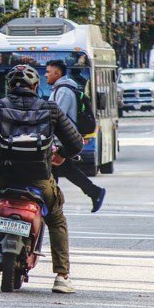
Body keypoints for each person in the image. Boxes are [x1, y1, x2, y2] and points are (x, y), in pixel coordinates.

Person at [0, 65, 83, 294]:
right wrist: (59, 155)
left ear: (9, 86)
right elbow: (75, 143)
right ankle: (61, 276)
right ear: (36, 86)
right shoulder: (50, 108)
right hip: (39, 180)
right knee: (56, 220)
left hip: (1, 178)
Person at [46, 59, 106, 213]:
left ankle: (51, 205)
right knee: (63, 170)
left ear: (57, 73)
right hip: (60, 140)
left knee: (52, 172)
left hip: (61, 140)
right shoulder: (58, 89)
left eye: (48, 72)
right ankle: (94, 192)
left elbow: (56, 116)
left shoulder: (63, 91)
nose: (46, 75)